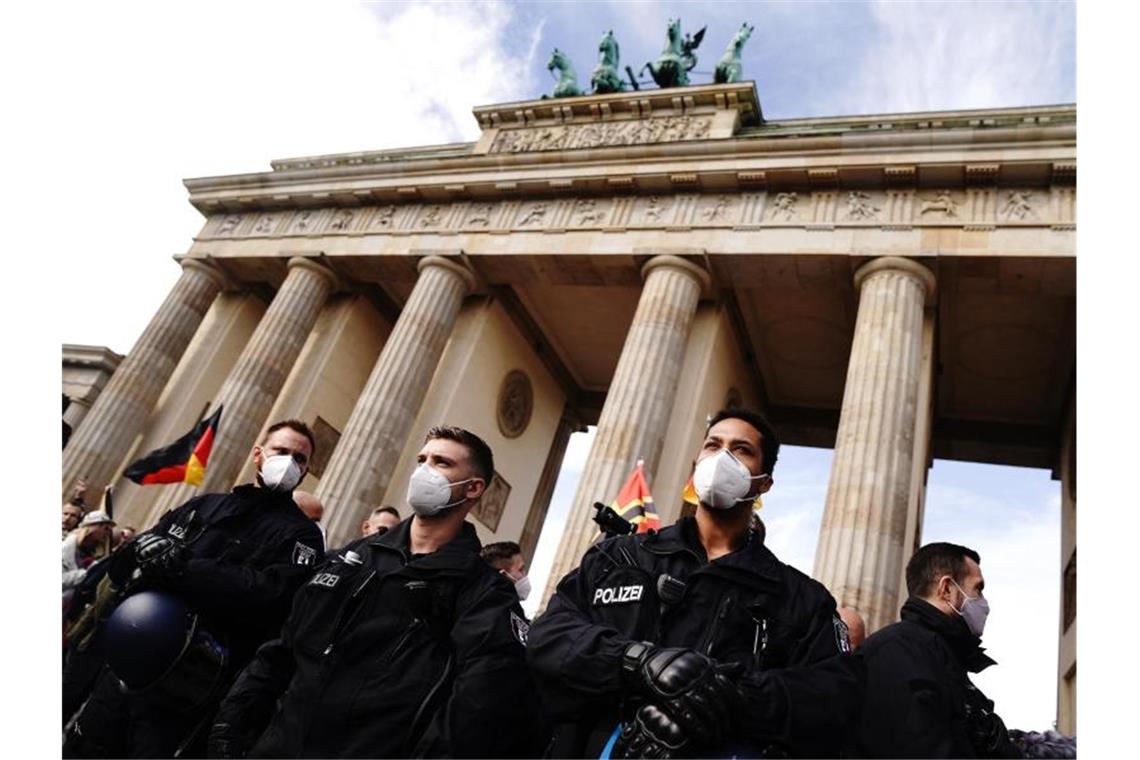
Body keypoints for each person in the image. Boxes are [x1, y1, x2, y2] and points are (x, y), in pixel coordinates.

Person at [528, 408, 864, 758]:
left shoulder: (800, 598)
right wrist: (636, 661)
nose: (722, 458)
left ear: (764, 482)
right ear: (695, 467)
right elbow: (549, 637)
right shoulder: (618, 557)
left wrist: (726, 695)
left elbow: (833, 697)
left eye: (742, 449)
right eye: (712, 445)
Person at [209, 425, 545, 758]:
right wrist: (231, 724)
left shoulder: (483, 592)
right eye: (422, 459)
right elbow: (283, 648)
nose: (424, 471)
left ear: (473, 488)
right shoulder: (353, 558)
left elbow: (479, 703)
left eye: (441, 463)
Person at [63, 419, 324, 758]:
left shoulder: (302, 536)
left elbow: (270, 593)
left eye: (300, 459)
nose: (289, 462)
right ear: (258, 454)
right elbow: (130, 558)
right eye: (281, 451)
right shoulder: (205, 505)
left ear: (305, 471)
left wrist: (183, 566)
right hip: (127, 667)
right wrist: (143, 550)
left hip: (189, 687)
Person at [856, 542, 1021, 758]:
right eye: (978, 589)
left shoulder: (938, 655)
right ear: (947, 589)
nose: (984, 602)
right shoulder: (897, 653)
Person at [63, 511, 114, 596]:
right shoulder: (65, 548)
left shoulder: (91, 552)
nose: (108, 533)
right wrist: (87, 574)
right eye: (106, 529)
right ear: (93, 527)